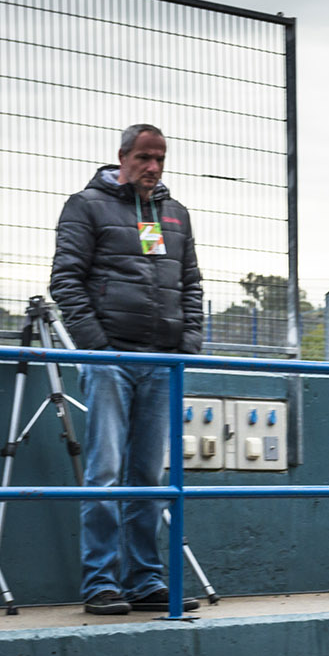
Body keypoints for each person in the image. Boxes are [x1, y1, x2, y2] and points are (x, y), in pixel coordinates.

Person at [50, 123, 204, 616]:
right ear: (122, 157)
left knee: (150, 478)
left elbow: (193, 283)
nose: (153, 166)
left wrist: (189, 343)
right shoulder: (86, 205)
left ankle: (145, 579)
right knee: (106, 473)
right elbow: (65, 282)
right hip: (112, 360)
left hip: (162, 363)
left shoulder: (174, 214)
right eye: (143, 157)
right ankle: (101, 583)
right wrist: (99, 348)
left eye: (160, 158)